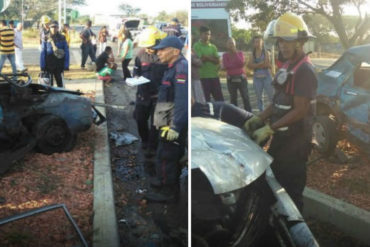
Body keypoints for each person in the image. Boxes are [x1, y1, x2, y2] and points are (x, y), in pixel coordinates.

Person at [244, 12, 317, 212]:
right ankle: (276, 222)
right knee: (275, 180)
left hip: (296, 141)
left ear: (300, 42)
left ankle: (297, 234)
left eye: (289, 41)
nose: (283, 45)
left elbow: (301, 110)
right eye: (280, 41)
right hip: (282, 136)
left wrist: (269, 128)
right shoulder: (287, 64)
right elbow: (277, 101)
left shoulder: (305, 71)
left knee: (292, 192)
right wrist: (259, 118)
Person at [144, 36, 188, 203]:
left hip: (172, 119)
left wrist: (176, 127)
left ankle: (168, 191)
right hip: (164, 115)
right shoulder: (171, 67)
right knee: (162, 151)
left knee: (168, 155)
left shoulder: (181, 69)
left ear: (175, 51)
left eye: (163, 49)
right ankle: (163, 180)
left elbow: (182, 101)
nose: (158, 52)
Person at [133, 26, 167, 157]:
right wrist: (135, 77)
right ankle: (145, 141)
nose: (148, 49)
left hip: (159, 97)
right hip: (142, 95)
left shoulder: (164, 56)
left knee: (156, 124)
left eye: (150, 46)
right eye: (146, 46)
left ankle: (153, 147)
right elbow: (136, 70)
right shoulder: (141, 54)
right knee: (140, 119)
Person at [193, 26, 223, 102]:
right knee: (206, 101)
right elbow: (201, 59)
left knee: (219, 100)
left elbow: (217, 61)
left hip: (214, 76)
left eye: (209, 34)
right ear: (201, 35)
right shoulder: (196, 46)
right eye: (205, 34)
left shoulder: (213, 47)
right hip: (203, 77)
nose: (208, 36)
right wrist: (211, 58)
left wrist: (207, 58)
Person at [222, 37, 251, 111]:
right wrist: (235, 65)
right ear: (226, 45)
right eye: (229, 43)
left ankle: (249, 114)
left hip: (241, 78)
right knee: (233, 98)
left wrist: (235, 53)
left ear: (235, 44)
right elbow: (226, 66)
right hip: (231, 79)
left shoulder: (240, 53)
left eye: (232, 43)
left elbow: (241, 64)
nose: (231, 45)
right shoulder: (225, 55)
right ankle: (235, 115)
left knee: (245, 97)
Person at [247, 35, 274, 112]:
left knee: (271, 97)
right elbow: (249, 65)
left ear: (262, 42)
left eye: (259, 41)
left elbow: (266, 64)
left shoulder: (266, 52)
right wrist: (260, 64)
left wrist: (255, 65)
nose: (257, 43)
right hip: (257, 79)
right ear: (253, 43)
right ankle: (261, 113)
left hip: (267, 77)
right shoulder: (252, 54)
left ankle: (273, 112)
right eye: (256, 42)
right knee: (259, 98)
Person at [40, 21, 69, 87]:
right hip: (49, 63)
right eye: (52, 27)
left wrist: (66, 64)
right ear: (49, 28)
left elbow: (66, 51)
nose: (54, 28)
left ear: (58, 27)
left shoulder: (62, 37)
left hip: (59, 64)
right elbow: (43, 52)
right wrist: (42, 65)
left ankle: (61, 96)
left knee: (60, 82)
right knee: (49, 84)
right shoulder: (45, 38)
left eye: (55, 27)